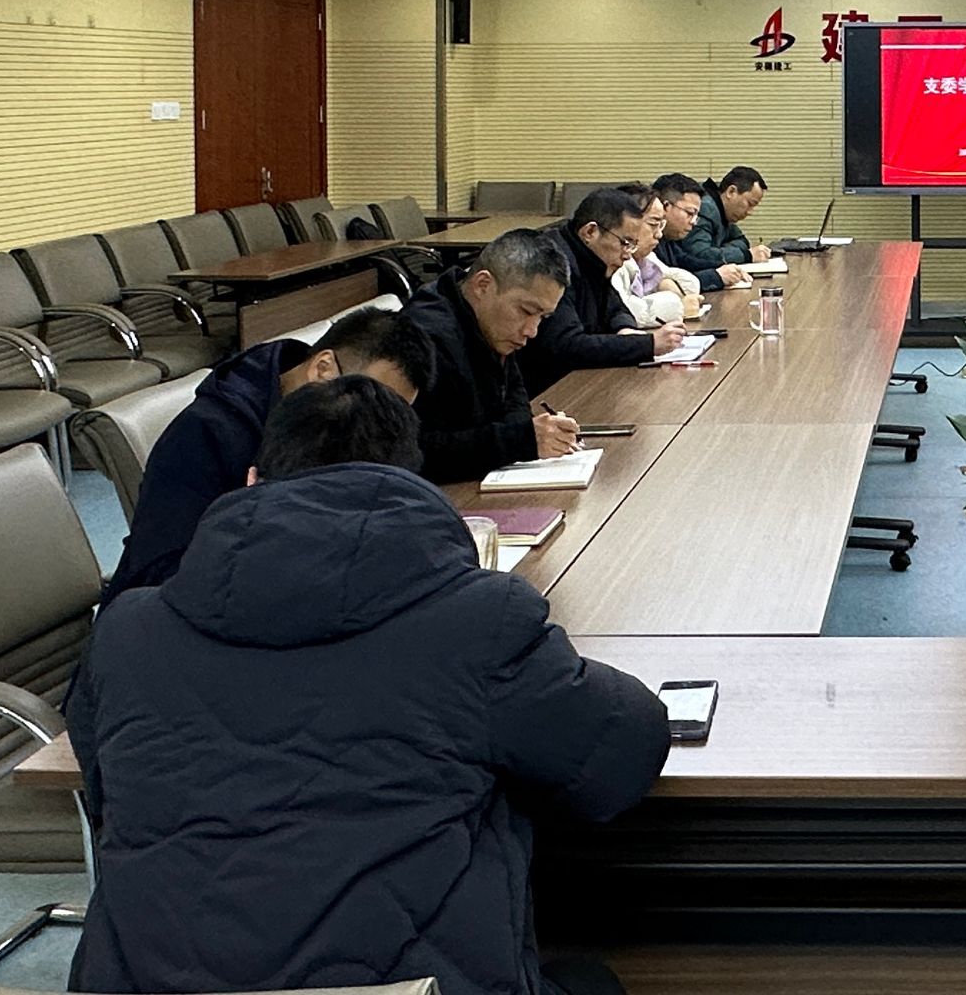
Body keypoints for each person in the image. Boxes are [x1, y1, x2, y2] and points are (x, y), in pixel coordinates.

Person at [66, 376, 668, 995]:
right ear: (411, 483)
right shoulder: (480, 620)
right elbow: (617, 760)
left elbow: (106, 796)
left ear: (250, 481)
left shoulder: (126, 632)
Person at [103, 307, 435, 603]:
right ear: (323, 368)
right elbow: (161, 568)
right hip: (186, 618)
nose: (381, 421)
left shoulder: (343, 426)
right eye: (371, 397)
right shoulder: (206, 433)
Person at [405, 229, 582, 482]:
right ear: (483, 285)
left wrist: (529, 434)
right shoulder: (425, 338)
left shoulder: (489, 322)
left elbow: (513, 394)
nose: (532, 331)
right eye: (526, 311)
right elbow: (414, 452)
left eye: (542, 317)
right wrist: (521, 440)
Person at [519, 187, 688, 395]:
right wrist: (648, 344)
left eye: (632, 245)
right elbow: (567, 346)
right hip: (548, 389)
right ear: (590, 232)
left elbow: (616, 308)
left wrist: (625, 330)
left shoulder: (593, 258)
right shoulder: (553, 264)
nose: (627, 255)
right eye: (625, 243)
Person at [610, 184, 702, 327]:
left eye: (661, 225)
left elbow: (686, 284)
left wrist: (666, 284)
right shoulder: (613, 260)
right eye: (653, 224)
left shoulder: (645, 259)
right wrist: (679, 306)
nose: (659, 234)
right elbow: (624, 312)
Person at [651, 172, 752, 291]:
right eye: (689, 213)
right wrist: (716, 276)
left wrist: (726, 268)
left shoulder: (669, 238)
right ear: (665, 207)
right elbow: (664, 283)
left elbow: (688, 262)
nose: (694, 222)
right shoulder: (646, 240)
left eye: (696, 215)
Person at [665, 165, 772, 274]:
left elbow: (742, 241)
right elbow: (699, 255)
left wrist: (720, 251)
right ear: (731, 191)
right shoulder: (706, 208)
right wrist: (746, 255)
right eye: (750, 203)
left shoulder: (724, 211)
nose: (750, 212)